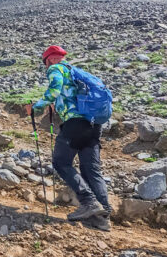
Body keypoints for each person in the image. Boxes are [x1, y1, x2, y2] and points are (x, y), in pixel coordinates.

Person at [28, 45, 110, 230]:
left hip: (74, 124)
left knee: (60, 162)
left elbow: (55, 89)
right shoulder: (76, 73)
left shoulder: (56, 68)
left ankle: (89, 202)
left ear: (49, 59)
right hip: (94, 124)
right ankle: (102, 216)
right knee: (91, 169)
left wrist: (36, 107)